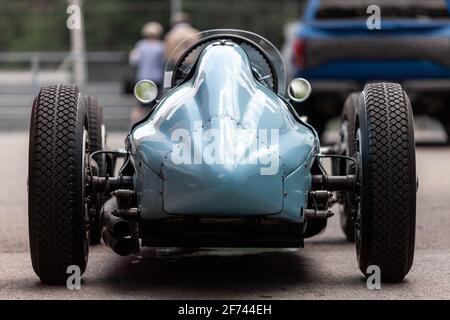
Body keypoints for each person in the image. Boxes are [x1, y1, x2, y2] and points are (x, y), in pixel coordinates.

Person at [129, 22, 165, 123]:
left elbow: (134, 60)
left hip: (143, 78)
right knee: (156, 104)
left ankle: (134, 125)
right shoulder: (161, 46)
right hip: (157, 78)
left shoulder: (141, 45)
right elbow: (164, 62)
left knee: (140, 105)